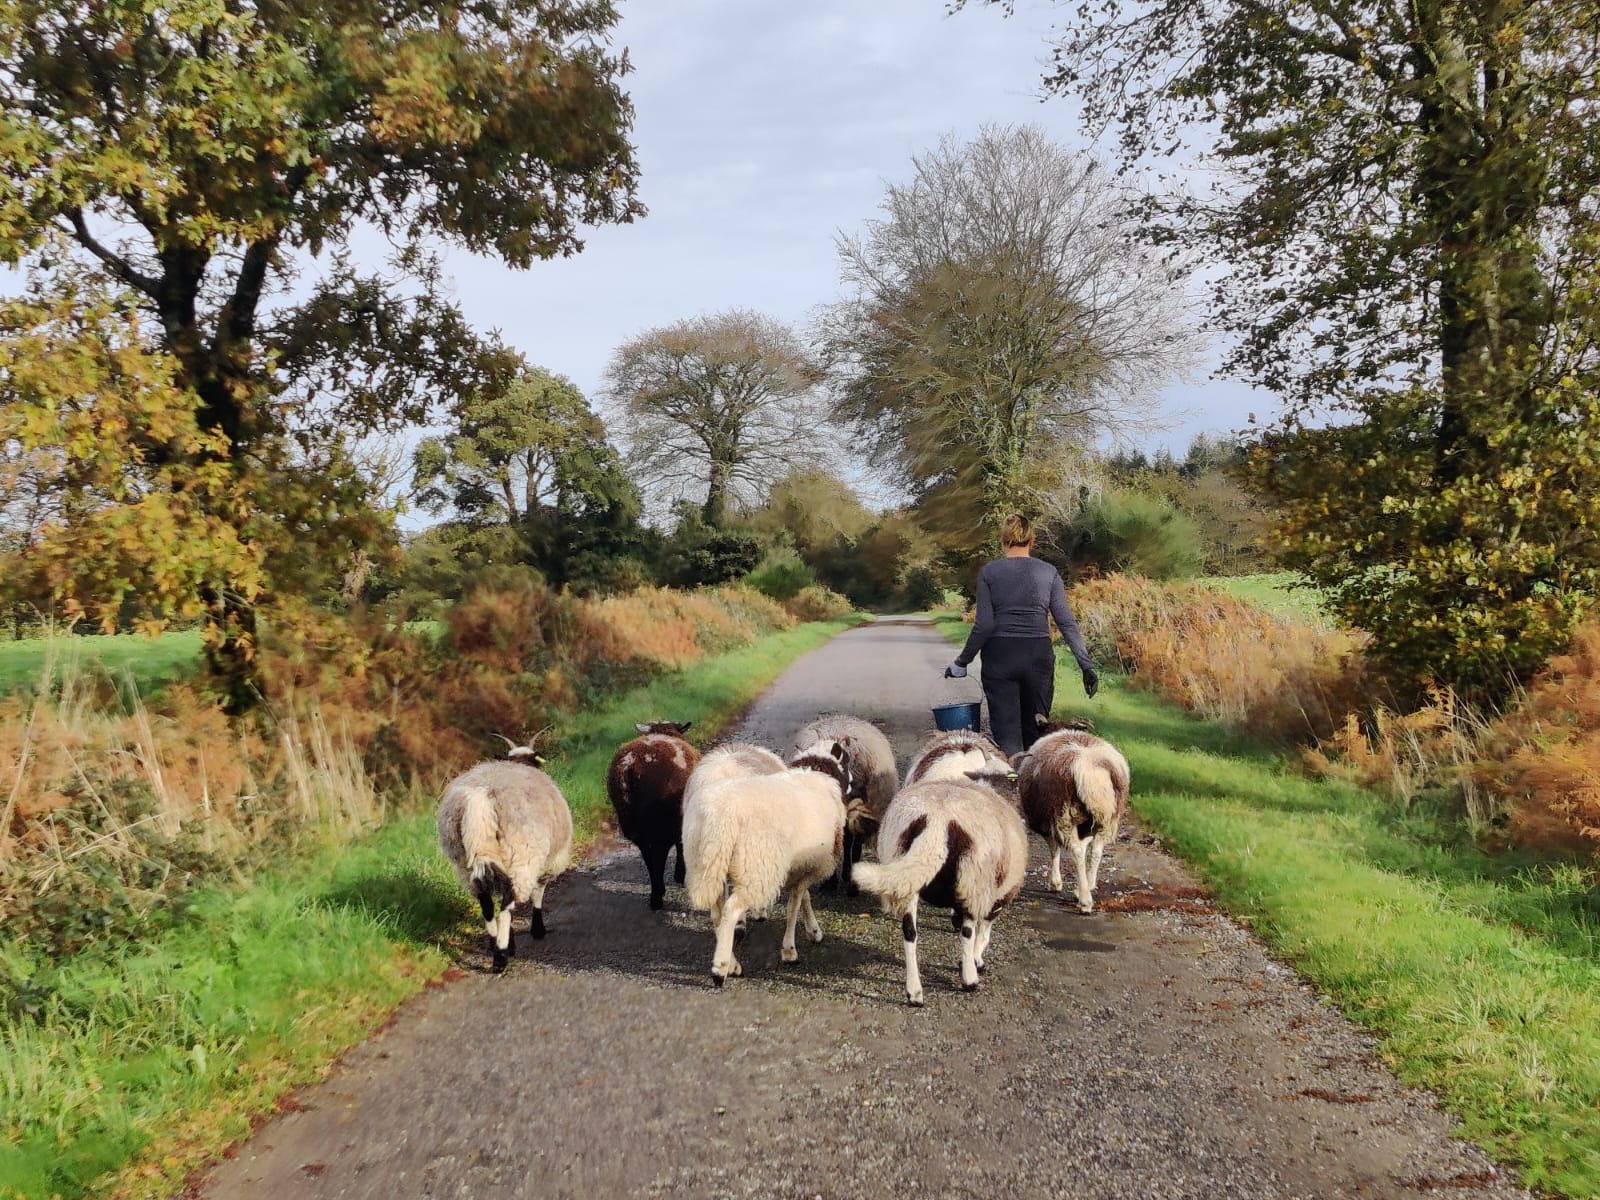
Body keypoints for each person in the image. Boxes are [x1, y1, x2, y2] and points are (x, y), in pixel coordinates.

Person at [944, 513, 1099, 758]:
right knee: (1036, 732)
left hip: (1000, 657)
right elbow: (1066, 622)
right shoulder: (1049, 572)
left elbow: (984, 625)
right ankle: (1033, 787)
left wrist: (961, 663)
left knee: (1007, 738)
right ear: (1032, 541)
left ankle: (1011, 782)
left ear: (1003, 541)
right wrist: (1086, 665)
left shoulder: (990, 572)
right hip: (1037, 657)